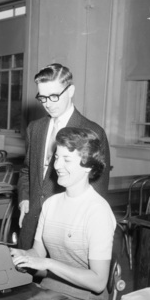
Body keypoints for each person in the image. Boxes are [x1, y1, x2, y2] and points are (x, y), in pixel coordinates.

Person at [11, 127, 116, 300]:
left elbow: (99, 282)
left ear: (88, 166)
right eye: (56, 158)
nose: (57, 166)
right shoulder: (50, 204)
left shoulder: (97, 211)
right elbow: (38, 252)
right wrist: (14, 254)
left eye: (66, 159)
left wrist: (49, 264)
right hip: (48, 294)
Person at [17, 63, 110, 250]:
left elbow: (97, 189)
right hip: (32, 222)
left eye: (54, 96)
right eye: (42, 97)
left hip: (67, 231)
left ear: (71, 91)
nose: (48, 104)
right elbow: (27, 170)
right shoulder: (35, 128)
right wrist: (24, 198)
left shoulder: (92, 132)